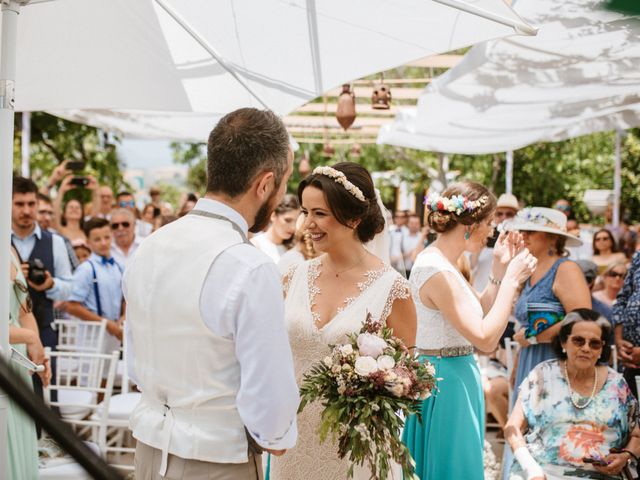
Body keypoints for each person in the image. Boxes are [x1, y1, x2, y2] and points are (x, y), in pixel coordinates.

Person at [124, 108, 299, 479]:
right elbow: (270, 399)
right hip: (216, 460)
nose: (283, 193)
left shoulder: (150, 247)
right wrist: (277, 434)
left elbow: (134, 360)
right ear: (265, 184)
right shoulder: (249, 267)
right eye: (284, 183)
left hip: (149, 450)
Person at [270, 162, 416, 480]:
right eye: (305, 212)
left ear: (353, 216)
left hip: (356, 449)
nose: (307, 224)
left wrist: (372, 384)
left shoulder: (393, 290)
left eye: (319, 213)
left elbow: (408, 378)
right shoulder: (291, 276)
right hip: (293, 442)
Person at [402, 182, 536, 480]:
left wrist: (501, 268)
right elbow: (486, 338)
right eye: (488, 223)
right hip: (444, 381)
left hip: (457, 372)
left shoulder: (445, 262)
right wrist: (513, 281)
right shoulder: (436, 270)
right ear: (470, 224)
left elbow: (482, 310)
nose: (491, 232)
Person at [505, 309, 640, 480]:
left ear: (601, 349)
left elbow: (637, 434)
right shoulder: (542, 375)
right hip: (542, 472)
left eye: (594, 344)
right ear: (563, 342)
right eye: (578, 341)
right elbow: (512, 428)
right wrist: (531, 469)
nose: (586, 348)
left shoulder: (616, 384)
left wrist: (625, 456)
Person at [506, 207, 592, 391]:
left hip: (558, 363)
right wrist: (518, 362)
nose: (524, 235)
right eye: (522, 231)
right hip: (529, 360)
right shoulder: (530, 270)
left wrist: (533, 337)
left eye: (531, 231)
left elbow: (583, 319)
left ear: (553, 238)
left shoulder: (566, 269)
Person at [11, 176, 73, 404]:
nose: (26, 210)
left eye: (31, 204)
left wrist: (50, 284)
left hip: (45, 329)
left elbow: (69, 289)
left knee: (47, 397)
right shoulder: (1, 242)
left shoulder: (56, 242)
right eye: (19, 204)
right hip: (9, 333)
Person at [8, 246, 51, 479]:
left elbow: (24, 310)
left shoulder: (8, 246)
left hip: (18, 366)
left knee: (21, 441)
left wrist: (38, 350)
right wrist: (29, 337)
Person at [64, 218, 124, 354]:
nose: (103, 243)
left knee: (108, 374)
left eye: (107, 237)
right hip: (90, 335)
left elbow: (124, 297)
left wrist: (123, 316)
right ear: (88, 242)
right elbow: (71, 306)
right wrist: (106, 323)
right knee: (90, 374)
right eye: (97, 239)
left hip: (114, 332)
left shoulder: (118, 266)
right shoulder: (86, 269)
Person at [472, 192, 520, 291]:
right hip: (483, 291)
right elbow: (471, 265)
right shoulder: (485, 234)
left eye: (509, 214)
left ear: (516, 216)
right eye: (499, 214)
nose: (504, 217)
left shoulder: (521, 239)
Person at [613, 251, 640, 396]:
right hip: (631, 359)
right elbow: (622, 299)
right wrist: (619, 340)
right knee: (631, 415)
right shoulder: (638, 256)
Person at [251, 194, 300, 263]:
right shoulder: (256, 245)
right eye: (288, 220)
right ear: (273, 216)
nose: (293, 227)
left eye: (296, 222)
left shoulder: (294, 249)